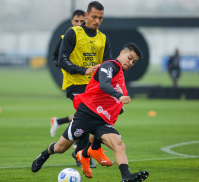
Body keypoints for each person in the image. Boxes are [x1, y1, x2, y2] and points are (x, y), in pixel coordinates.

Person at [31, 43, 149, 182]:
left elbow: (109, 98)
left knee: (119, 144)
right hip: (86, 114)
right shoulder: (109, 66)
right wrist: (119, 96)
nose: (130, 63)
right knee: (60, 148)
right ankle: (45, 153)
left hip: (102, 120)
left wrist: (118, 107)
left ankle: (126, 176)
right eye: (129, 58)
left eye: (133, 62)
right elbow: (104, 84)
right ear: (122, 52)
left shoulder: (120, 77)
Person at [53, 1, 113, 168]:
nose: (97, 21)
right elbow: (61, 59)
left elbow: (108, 65)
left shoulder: (103, 39)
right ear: (86, 16)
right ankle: (82, 154)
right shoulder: (72, 33)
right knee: (87, 113)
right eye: (94, 17)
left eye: (100, 18)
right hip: (75, 84)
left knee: (95, 118)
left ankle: (80, 150)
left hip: (93, 87)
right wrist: (82, 70)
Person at [50, 9, 85, 137]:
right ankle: (79, 149)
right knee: (86, 113)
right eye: (76, 21)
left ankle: (59, 122)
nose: (79, 24)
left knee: (88, 113)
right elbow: (55, 57)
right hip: (73, 83)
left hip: (88, 82)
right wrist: (65, 67)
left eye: (82, 21)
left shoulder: (89, 39)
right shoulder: (65, 38)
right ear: (72, 22)